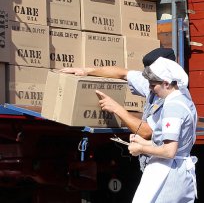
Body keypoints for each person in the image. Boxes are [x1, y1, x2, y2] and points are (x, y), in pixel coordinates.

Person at [60, 47, 189, 171]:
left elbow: (147, 132)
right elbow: (122, 73)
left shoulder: (172, 101)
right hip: (154, 163)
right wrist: (87, 71)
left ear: (165, 80)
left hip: (165, 166)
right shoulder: (156, 84)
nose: (148, 86)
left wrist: (117, 109)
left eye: (152, 83)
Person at [128, 57, 198, 203]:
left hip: (167, 173)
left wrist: (141, 148)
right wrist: (145, 142)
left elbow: (169, 151)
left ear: (166, 83)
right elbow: (177, 145)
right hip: (181, 171)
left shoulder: (172, 107)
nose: (150, 89)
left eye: (153, 85)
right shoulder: (185, 100)